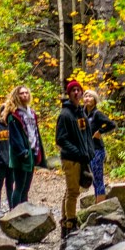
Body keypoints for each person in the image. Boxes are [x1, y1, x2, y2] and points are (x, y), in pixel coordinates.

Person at [55, 77, 95, 236]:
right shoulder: (65, 115)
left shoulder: (81, 113)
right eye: (73, 90)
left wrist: (89, 152)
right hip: (71, 159)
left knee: (71, 190)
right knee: (73, 192)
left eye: (79, 90)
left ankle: (65, 220)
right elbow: (60, 139)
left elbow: (86, 135)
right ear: (69, 94)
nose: (77, 93)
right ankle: (71, 223)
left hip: (82, 158)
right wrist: (78, 153)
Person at [4, 83, 45, 207]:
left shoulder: (31, 113)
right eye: (21, 93)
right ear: (17, 96)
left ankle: (25, 211)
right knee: (19, 186)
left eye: (26, 93)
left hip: (32, 151)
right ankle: (15, 212)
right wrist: (23, 153)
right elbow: (15, 137)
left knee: (26, 187)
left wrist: (39, 152)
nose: (24, 95)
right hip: (21, 154)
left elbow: (35, 133)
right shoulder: (14, 115)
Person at [82, 89, 116, 200]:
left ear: (95, 100)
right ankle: (98, 202)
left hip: (97, 149)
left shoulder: (97, 114)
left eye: (90, 96)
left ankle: (101, 206)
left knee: (98, 179)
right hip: (86, 150)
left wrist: (100, 132)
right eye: (85, 96)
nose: (87, 98)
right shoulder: (82, 114)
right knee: (91, 180)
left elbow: (111, 124)